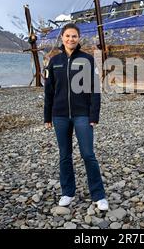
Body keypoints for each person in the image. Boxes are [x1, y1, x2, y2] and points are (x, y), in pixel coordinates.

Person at [44, 23, 108, 211]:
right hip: (60, 115)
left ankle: (99, 195)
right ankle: (67, 193)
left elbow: (95, 90)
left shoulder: (87, 60)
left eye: (74, 36)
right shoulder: (54, 61)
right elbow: (49, 92)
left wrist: (94, 114)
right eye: (68, 36)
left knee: (88, 155)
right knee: (65, 155)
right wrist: (47, 117)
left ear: (78, 39)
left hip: (82, 115)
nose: (71, 39)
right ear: (62, 38)